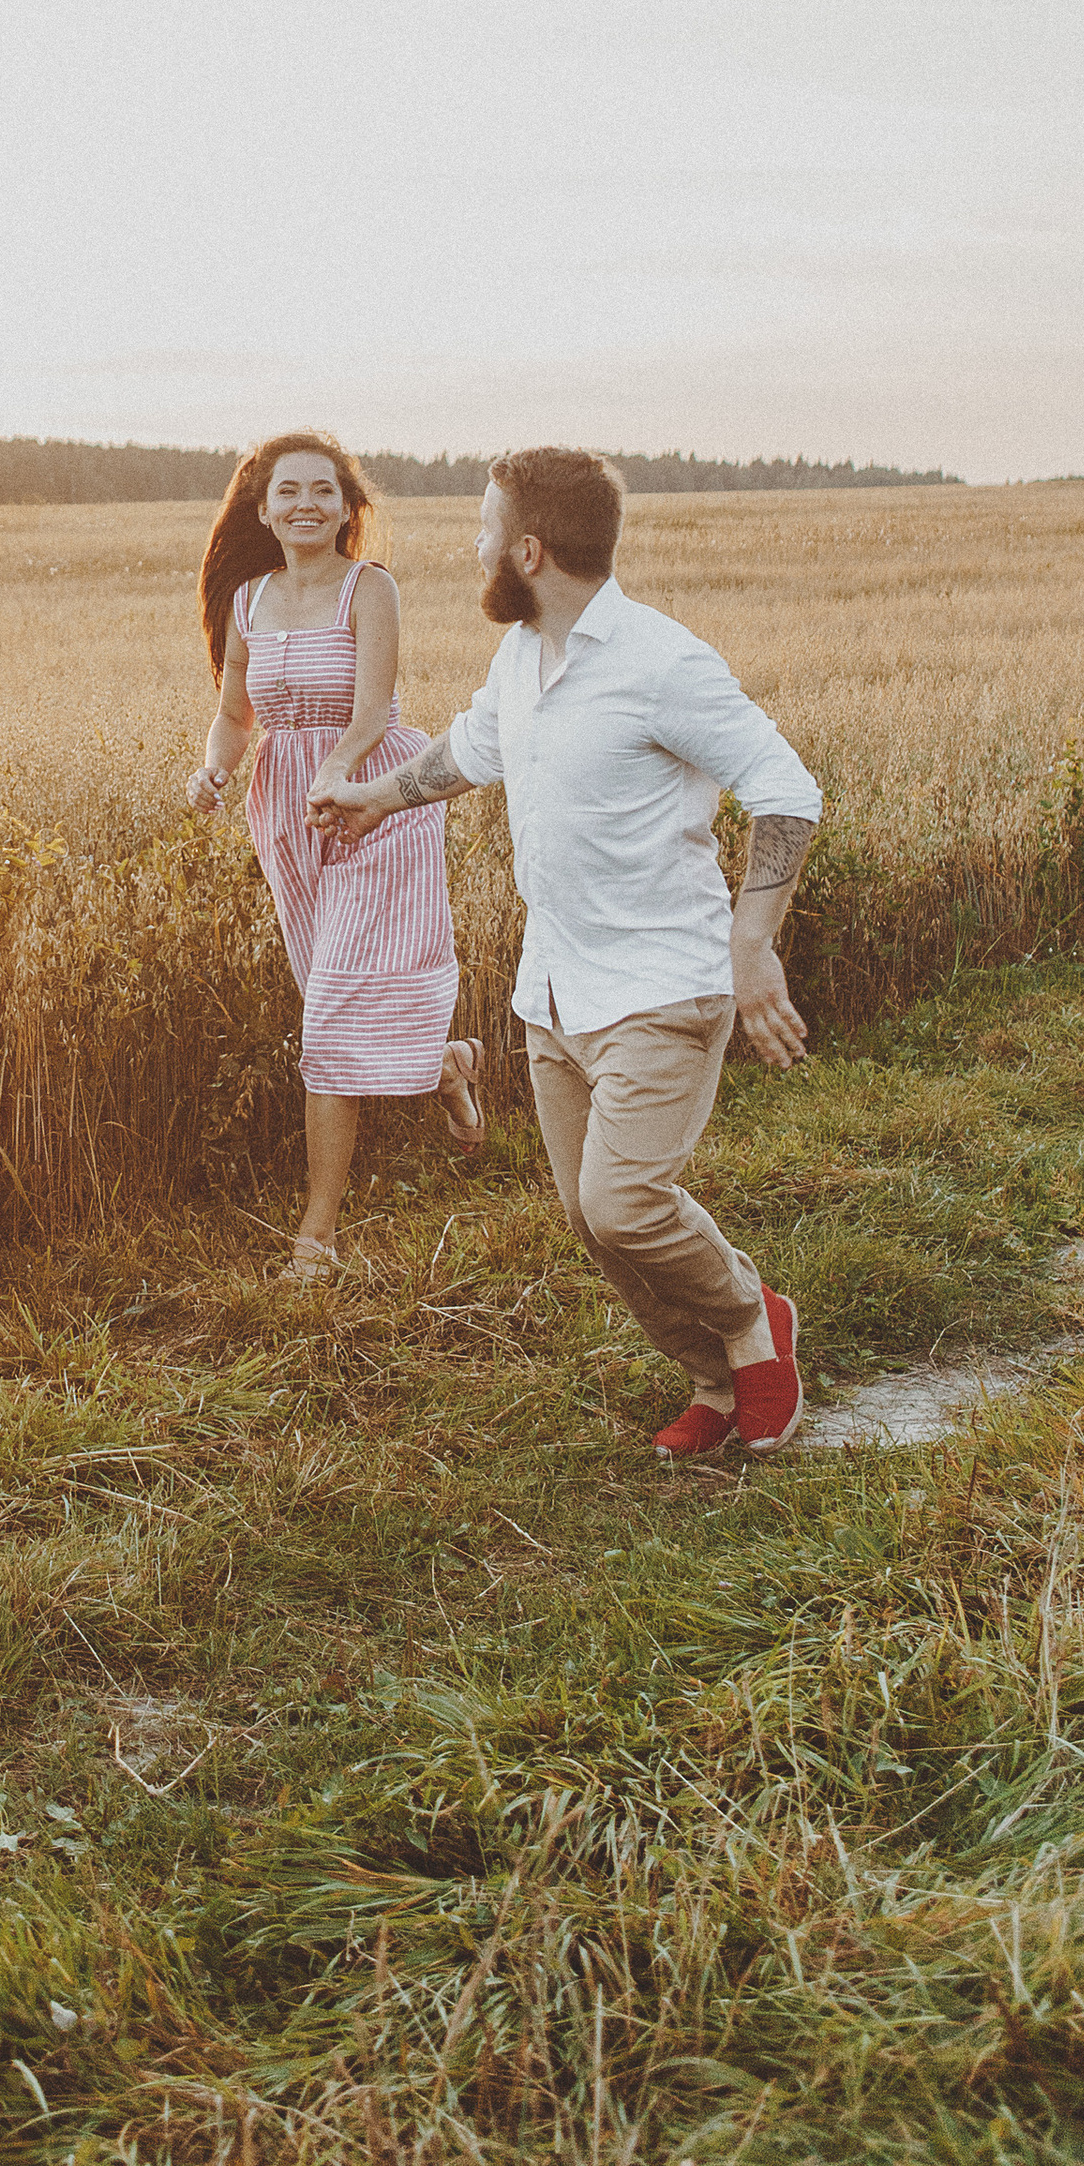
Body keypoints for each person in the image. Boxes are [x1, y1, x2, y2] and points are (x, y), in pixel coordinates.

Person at [313, 446, 819, 1453]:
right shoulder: (523, 655)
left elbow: (786, 788)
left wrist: (750, 943)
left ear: (529, 551)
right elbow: (472, 747)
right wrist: (374, 800)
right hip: (554, 990)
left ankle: (756, 1321)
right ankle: (714, 1385)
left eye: (485, 529)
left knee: (624, 1203)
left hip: (662, 986)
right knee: (593, 1225)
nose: (473, 546)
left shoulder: (660, 663)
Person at [188, 430, 484, 1280]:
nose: (306, 504)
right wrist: (214, 769)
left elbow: (372, 708)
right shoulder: (248, 601)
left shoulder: (370, 587)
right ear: (262, 508)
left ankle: (315, 1233)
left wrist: (342, 776)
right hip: (286, 812)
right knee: (332, 991)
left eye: (324, 490)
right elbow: (236, 715)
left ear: (350, 508)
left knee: (328, 1019)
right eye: (289, 492)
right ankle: (450, 1063)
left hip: (372, 803)